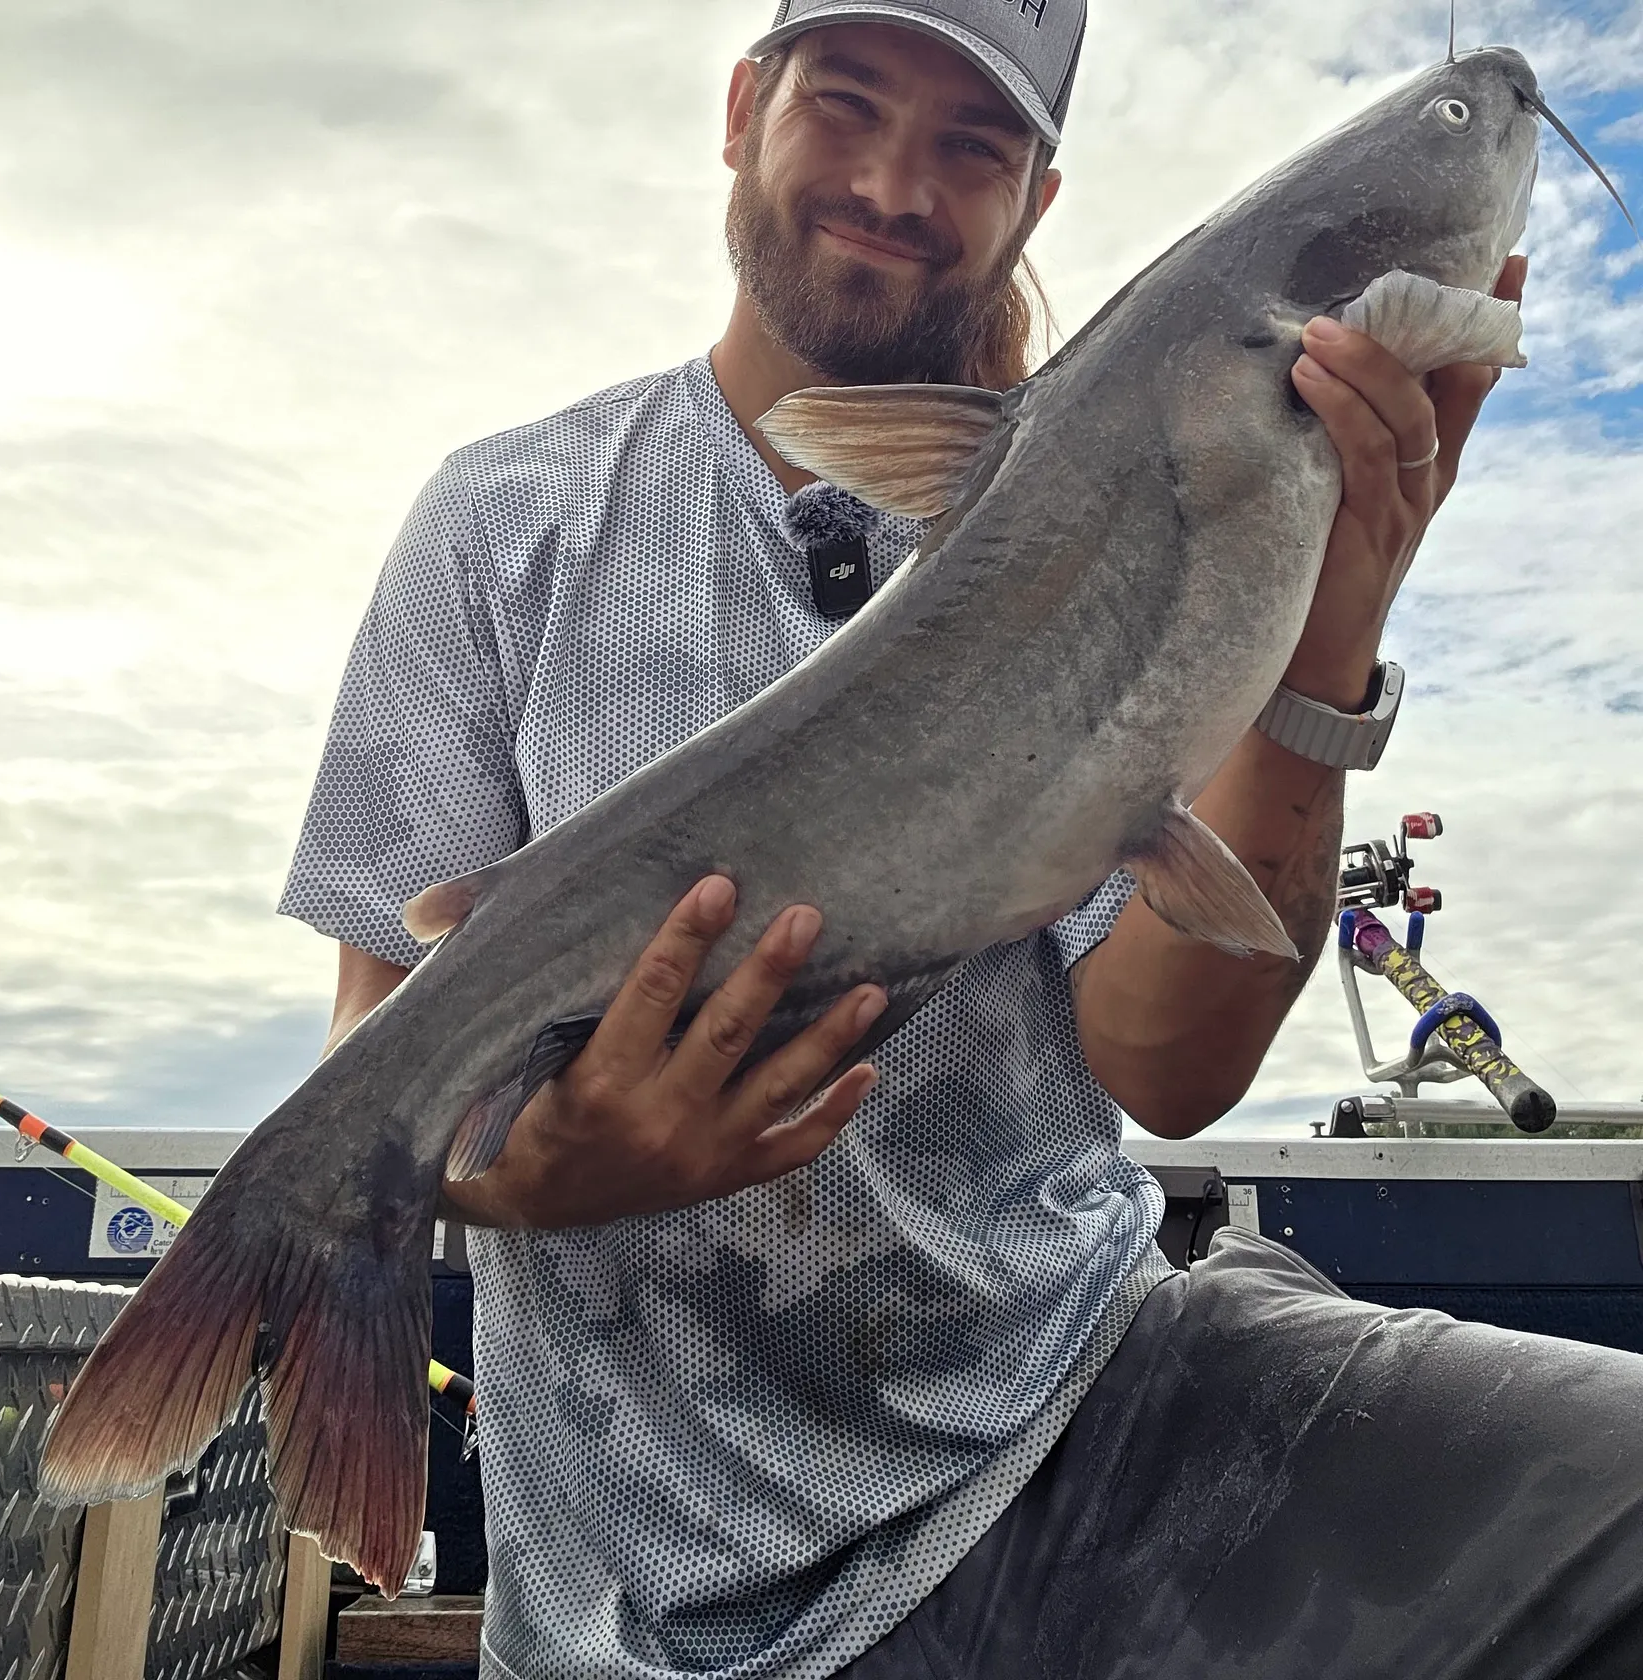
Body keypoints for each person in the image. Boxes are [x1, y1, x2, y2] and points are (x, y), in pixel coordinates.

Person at [279, 5, 1643, 1677]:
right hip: (666, 1604)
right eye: (846, 103)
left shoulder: (1177, 497)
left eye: (971, 146)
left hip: (1094, 1405)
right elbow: (378, 1040)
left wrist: (1325, 643)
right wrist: (529, 1181)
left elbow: (1166, 1063)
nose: (892, 182)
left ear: (1037, 201)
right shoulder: (503, 524)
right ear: (740, 110)